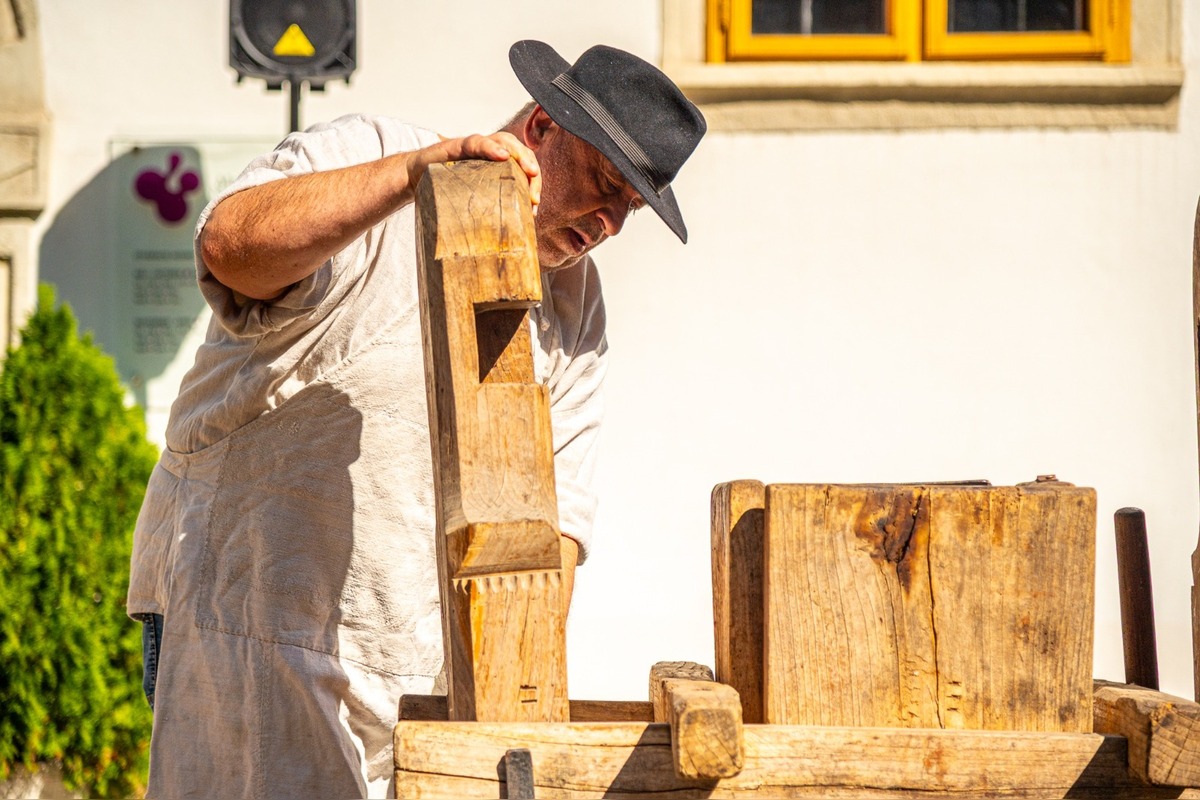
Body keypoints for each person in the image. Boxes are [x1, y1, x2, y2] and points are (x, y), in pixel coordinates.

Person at [126, 40, 705, 798]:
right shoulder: (374, 157)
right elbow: (231, 248)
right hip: (240, 607)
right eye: (606, 184)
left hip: (404, 656)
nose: (609, 225)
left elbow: (555, 527)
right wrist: (413, 177)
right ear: (541, 131)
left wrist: (517, 700)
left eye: (631, 207)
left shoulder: (576, 307)